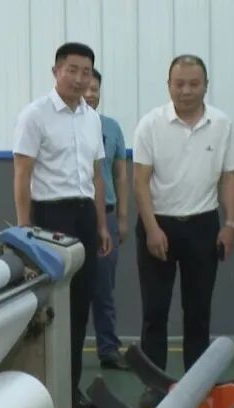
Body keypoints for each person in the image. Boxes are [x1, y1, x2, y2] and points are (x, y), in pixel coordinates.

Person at [132, 54, 234, 405]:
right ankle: (154, 384)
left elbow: (229, 177)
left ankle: (196, 385)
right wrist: (151, 229)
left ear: (206, 86)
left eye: (194, 84)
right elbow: (140, 182)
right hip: (158, 225)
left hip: (203, 226)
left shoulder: (221, 124)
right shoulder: (150, 124)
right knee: (155, 310)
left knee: (198, 311)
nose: (186, 90)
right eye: (179, 84)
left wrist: (230, 224)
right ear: (169, 85)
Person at [12, 42, 112, 408]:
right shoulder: (34, 115)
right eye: (72, 70)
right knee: (49, 306)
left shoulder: (92, 117)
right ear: (56, 71)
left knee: (80, 305)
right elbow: (22, 174)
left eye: (86, 72)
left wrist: (101, 225)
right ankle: (42, 393)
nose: (79, 78)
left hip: (84, 215)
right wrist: (24, 229)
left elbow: (97, 176)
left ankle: (70, 390)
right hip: (48, 217)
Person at [83, 67, 130, 371]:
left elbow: (120, 174)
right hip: (72, 216)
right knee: (68, 291)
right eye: (85, 88)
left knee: (104, 289)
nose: (90, 94)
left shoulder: (111, 128)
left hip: (108, 216)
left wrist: (122, 218)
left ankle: (109, 350)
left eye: (95, 90)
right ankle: (64, 352)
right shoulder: (58, 125)